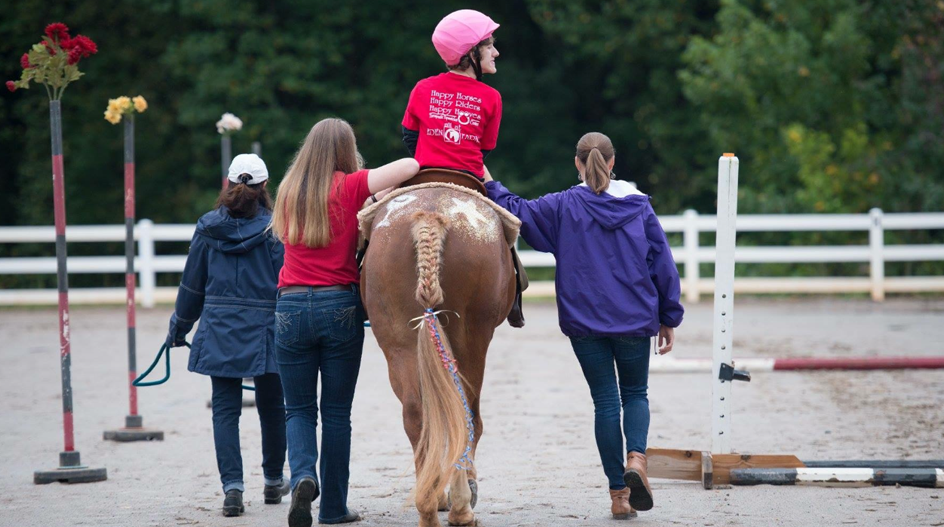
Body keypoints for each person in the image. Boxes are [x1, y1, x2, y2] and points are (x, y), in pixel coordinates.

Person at [483, 132, 684, 519]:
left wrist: (489, 180)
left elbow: (516, 211)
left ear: (577, 163)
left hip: (585, 322)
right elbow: (662, 263)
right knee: (635, 394)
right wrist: (669, 316)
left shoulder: (562, 205)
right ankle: (637, 459)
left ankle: (619, 496)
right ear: (612, 162)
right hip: (634, 319)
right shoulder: (639, 206)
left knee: (605, 402)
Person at [270, 118, 420, 527]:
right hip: (339, 303)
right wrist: (370, 185)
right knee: (336, 413)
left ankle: (303, 475)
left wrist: (369, 192)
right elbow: (410, 165)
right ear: (345, 150)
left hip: (290, 305)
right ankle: (334, 507)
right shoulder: (350, 186)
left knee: (297, 410)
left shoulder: (288, 190)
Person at [166, 153, 288, 517]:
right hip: (267, 330)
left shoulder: (207, 227)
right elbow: (285, 283)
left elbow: (193, 285)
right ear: (265, 186)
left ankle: (232, 489)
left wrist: (180, 327)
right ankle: (272, 481)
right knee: (273, 407)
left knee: (224, 410)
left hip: (219, 328)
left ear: (228, 183)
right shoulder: (275, 229)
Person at [401, 9, 502, 180]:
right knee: (502, 198)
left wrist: (434, 161)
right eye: (489, 47)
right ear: (473, 52)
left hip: (426, 174)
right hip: (468, 179)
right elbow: (485, 147)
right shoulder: (492, 97)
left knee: (384, 194)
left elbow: (410, 136)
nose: (496, 53)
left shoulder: (422, 87)